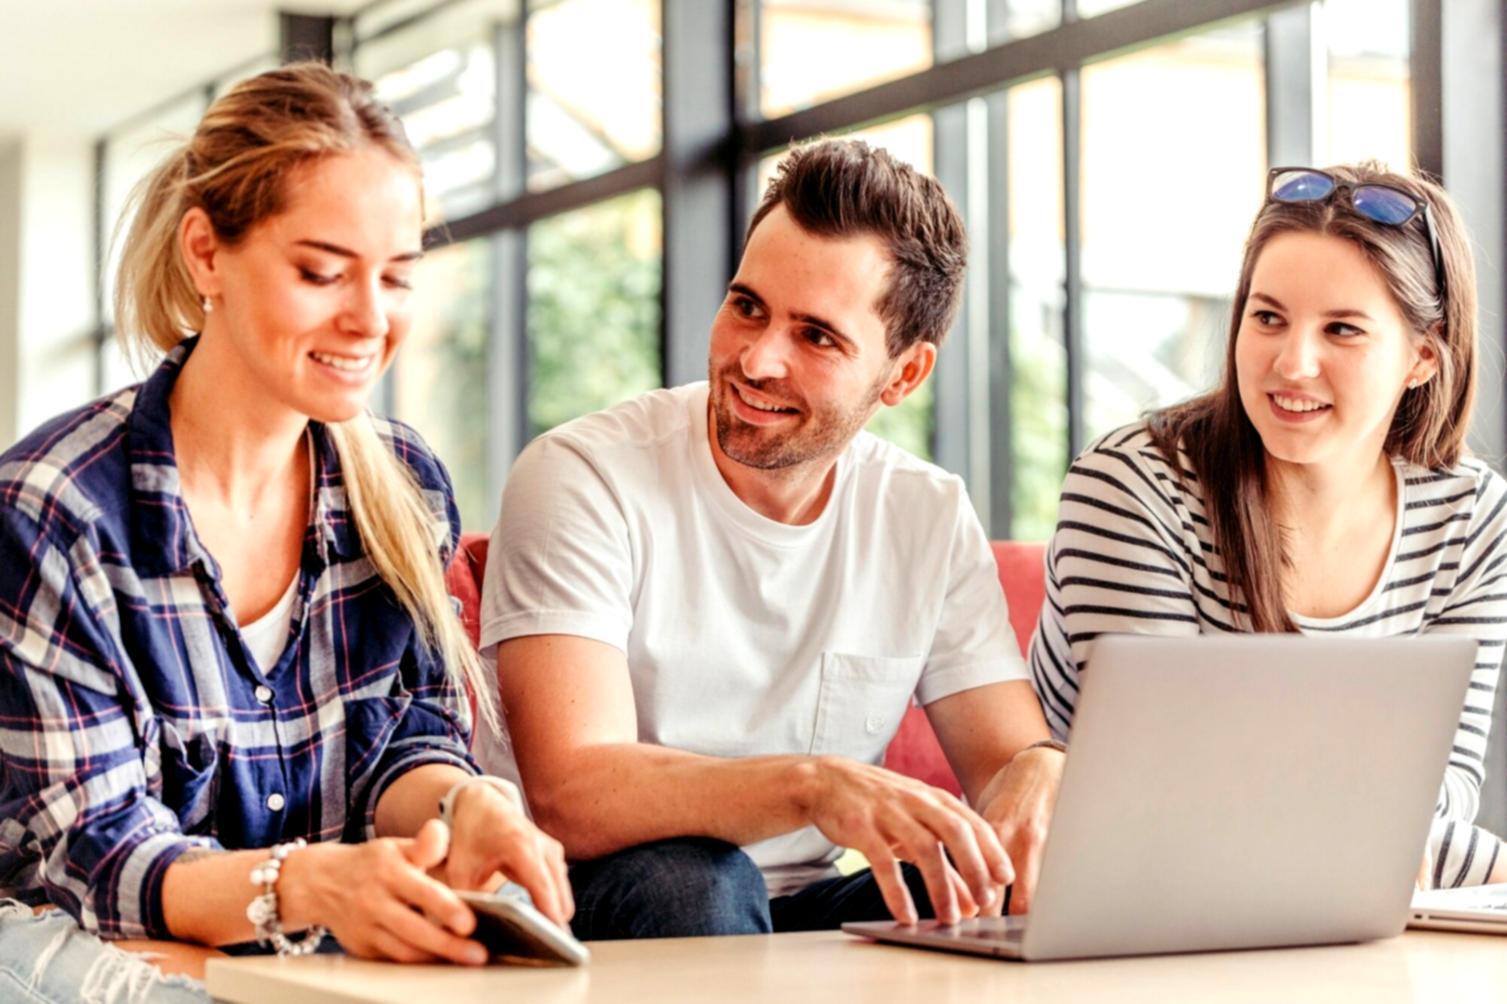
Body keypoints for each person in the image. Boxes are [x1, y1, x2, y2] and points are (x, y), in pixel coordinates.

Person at [0, 63, 571, 1003]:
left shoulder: (404, 485)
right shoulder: (55, 514)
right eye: (321, 271)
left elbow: (405, 742)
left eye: (397, 276)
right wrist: (303, 886)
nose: (369, 318)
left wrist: (464, 806)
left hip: (310, 975)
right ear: (205, 254)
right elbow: (97, 857)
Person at [479, 138, 1064, 941]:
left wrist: (1038, 767)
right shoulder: (583, 474)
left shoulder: (924, 514)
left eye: (815, 337)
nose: (755, 359)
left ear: (903, 376)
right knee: (700, 882)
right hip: (585, 893)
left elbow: (1004, 763)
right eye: (747, 306)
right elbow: (570, 792)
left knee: (1005, 884)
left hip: (794, 910)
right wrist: (813, 788)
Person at [1030, 163, 1507, 888]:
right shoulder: (1133, 485)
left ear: (1421, 357)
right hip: (1121, 902)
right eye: (1267, 317)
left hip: (1336, 907)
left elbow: (1441, 790)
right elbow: (1157, 786)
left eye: (1341, 329)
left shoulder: (1471, 517)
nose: (1291, 363)